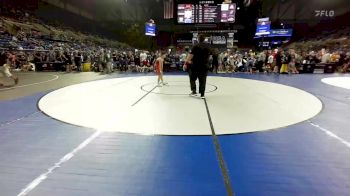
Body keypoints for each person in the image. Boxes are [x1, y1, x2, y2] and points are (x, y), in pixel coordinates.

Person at [184, 35, 211, 99]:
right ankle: (202, 94)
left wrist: (186, 63)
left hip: (195, 66)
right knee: (203, 80)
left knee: (192, 78)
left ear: (198, 39)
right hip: (204, 66)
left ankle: (194, 91)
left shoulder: (195, 46)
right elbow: (209, 57)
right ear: (204, 39)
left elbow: (190, 56)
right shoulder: (208, 47)